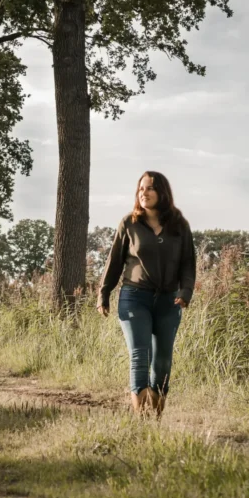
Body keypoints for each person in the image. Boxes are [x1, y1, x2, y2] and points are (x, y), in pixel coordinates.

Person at [97, 171, 196, 418]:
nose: (144, 192)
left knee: (162, 361)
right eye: (141, 188)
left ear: (162, 192)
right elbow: (114, 262)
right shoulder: (129, 223)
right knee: (140, 354)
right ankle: (141, 419)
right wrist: (103, 293)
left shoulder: (179, 225)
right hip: (134, 297)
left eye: (150, 188)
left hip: (168, 300)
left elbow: (188, 263)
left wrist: (185, 292)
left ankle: (157, 417)